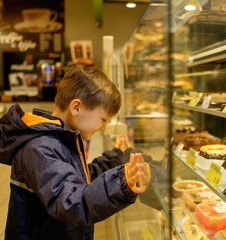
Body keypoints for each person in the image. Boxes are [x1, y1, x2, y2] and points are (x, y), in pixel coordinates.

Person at [0, 64, 151, 240]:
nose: (103, 127)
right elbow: (70, 202)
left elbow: (78, 178)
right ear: (76, 108)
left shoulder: (59, 139)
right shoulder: (38, 147)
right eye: (103, 119)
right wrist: (122, 183)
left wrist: (115, 158)